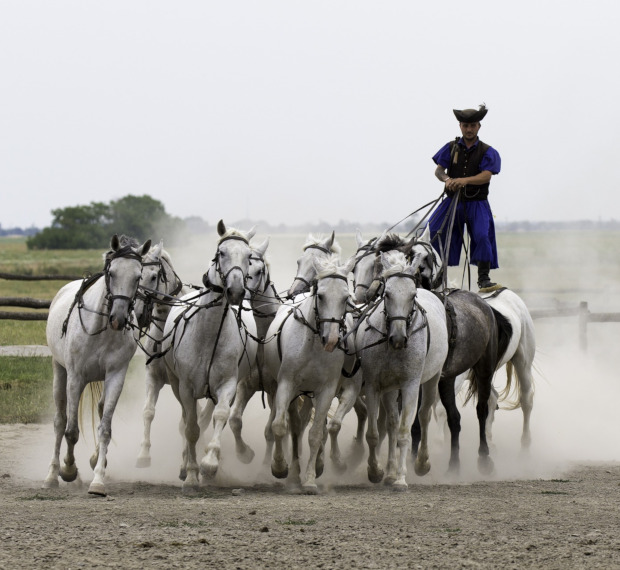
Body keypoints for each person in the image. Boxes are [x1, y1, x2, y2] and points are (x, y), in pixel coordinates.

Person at [428, 103, 501, 290]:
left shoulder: (487, 151)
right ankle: (436, 274)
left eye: (473, 125)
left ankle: (483, 278)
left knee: (482, 236)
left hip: (478, 204)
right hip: (454, 202)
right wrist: (446, 179)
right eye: (466, 125)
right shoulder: (451, 147)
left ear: (478, 127)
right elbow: (438, 171)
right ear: (460, 126)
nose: (469, 129)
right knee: (434, 229)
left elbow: (486, 175)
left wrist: (464, 180)